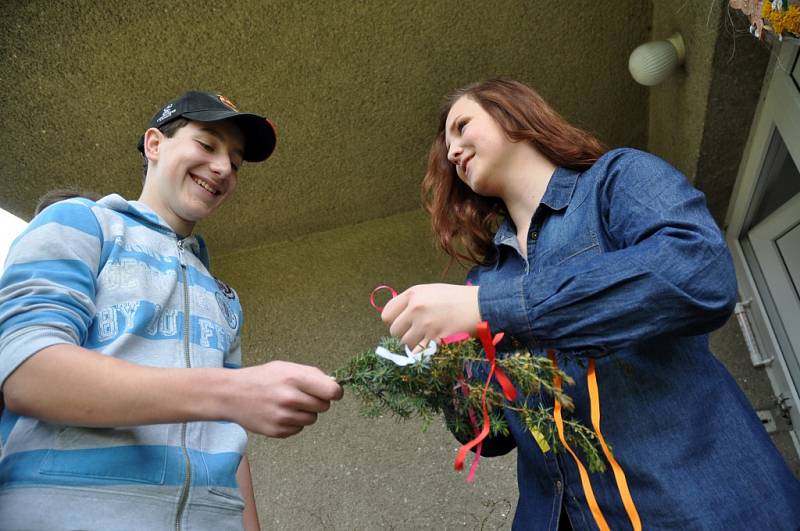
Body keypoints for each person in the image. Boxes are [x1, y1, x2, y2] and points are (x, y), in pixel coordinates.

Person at [381, 79, 800, 530]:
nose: (453, 151)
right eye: (447, 147)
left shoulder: (614, 181)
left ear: (515, 114)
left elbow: (698, 272)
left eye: (463, 126)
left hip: (698, 506)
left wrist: (490, 307)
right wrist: (441, 369)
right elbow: (491, 437)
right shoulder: (485, 279)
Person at [0, 91, 343, 530]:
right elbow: (28, 374)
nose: (223, 168)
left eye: (236, 163)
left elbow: (227, 438)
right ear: (155, 145)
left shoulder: (224, 297)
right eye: (207, 144)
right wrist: (229, 392)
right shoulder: (80, 222)